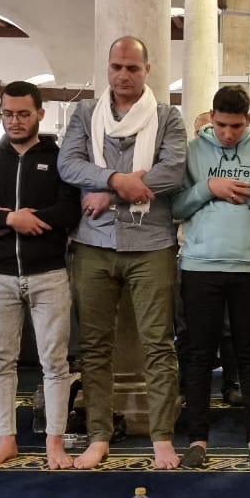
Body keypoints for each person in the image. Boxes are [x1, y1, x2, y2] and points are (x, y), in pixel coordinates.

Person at [58, 36, 187, 470]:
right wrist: (117, 179)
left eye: (132, 68)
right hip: (94, 243)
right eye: (117, 67)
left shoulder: (167, 117)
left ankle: (162, 436)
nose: (123, 75)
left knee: (158, 343)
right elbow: (68, 164)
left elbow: (172, 172)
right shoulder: (85, 113)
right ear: (107, 68)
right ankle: (99, 435)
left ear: (147, 70)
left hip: (151, 243)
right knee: (94, 346)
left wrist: (109, 193)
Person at [0, 80, 80, 470]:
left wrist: (27, 220)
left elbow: (69, 210)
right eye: (8, 114)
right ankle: (5, 440)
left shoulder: (59, 159)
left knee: (55, 362)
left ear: (40, 114)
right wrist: (9, 219)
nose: (15, 121)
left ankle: (54, 442)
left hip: (48, 272)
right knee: (0, 360)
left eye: (23, 114)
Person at [172, 85, 250, 468]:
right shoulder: (192, 151)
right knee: (198, 354)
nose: (228, 134)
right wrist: (209, 187)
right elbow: (174, 206)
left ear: (249, 120)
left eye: (236, 126)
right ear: (212, 118)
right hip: (200, 265)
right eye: (221, 125)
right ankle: (197, 439)